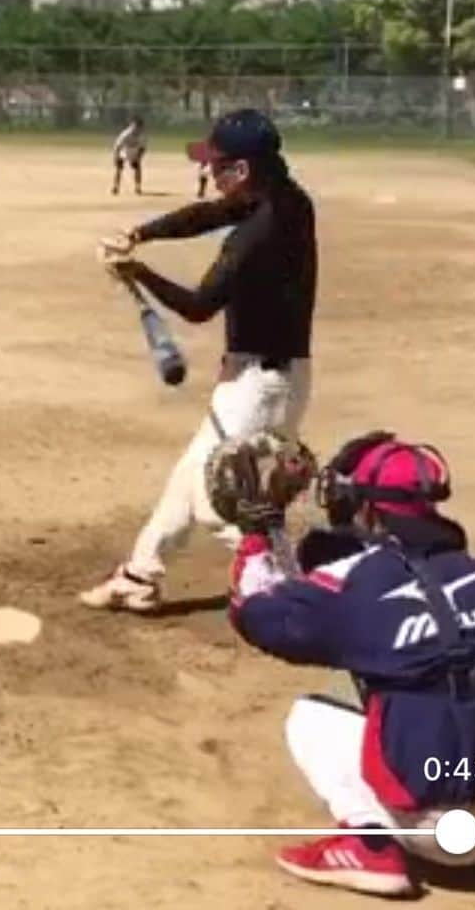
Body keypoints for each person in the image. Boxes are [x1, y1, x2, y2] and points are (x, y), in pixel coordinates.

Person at [226, 431, 475, 896]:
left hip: (433, 833)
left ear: (369, 510)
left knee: (314, 713)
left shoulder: (354, 589)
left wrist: (257, 534)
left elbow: (255, 611)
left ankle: (369, 844)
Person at [80, 109, 317, 613]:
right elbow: (207, 213)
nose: (209, 172)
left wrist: (135, 271)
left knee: (224, 498)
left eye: (218, 164)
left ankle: (292, 590)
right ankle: (140, 574)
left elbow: (199, 306)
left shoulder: (259, 233)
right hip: (265, 375)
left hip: (261, 382)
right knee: (192, 474)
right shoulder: (286, 199)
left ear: (243, 170)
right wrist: (140, 235)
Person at [111, 115, 146, 196]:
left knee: (137, 168)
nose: (136, 128)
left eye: (138, 126)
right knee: (118, 169)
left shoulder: (142, 135)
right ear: (131, 125)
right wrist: (116, 155)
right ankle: (116, 187)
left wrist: (139, 157)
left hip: (134, 151)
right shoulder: (126, 134)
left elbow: (143, 148)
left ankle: (138, 187)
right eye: (135, 125)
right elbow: (117, 145)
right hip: (124, 151)